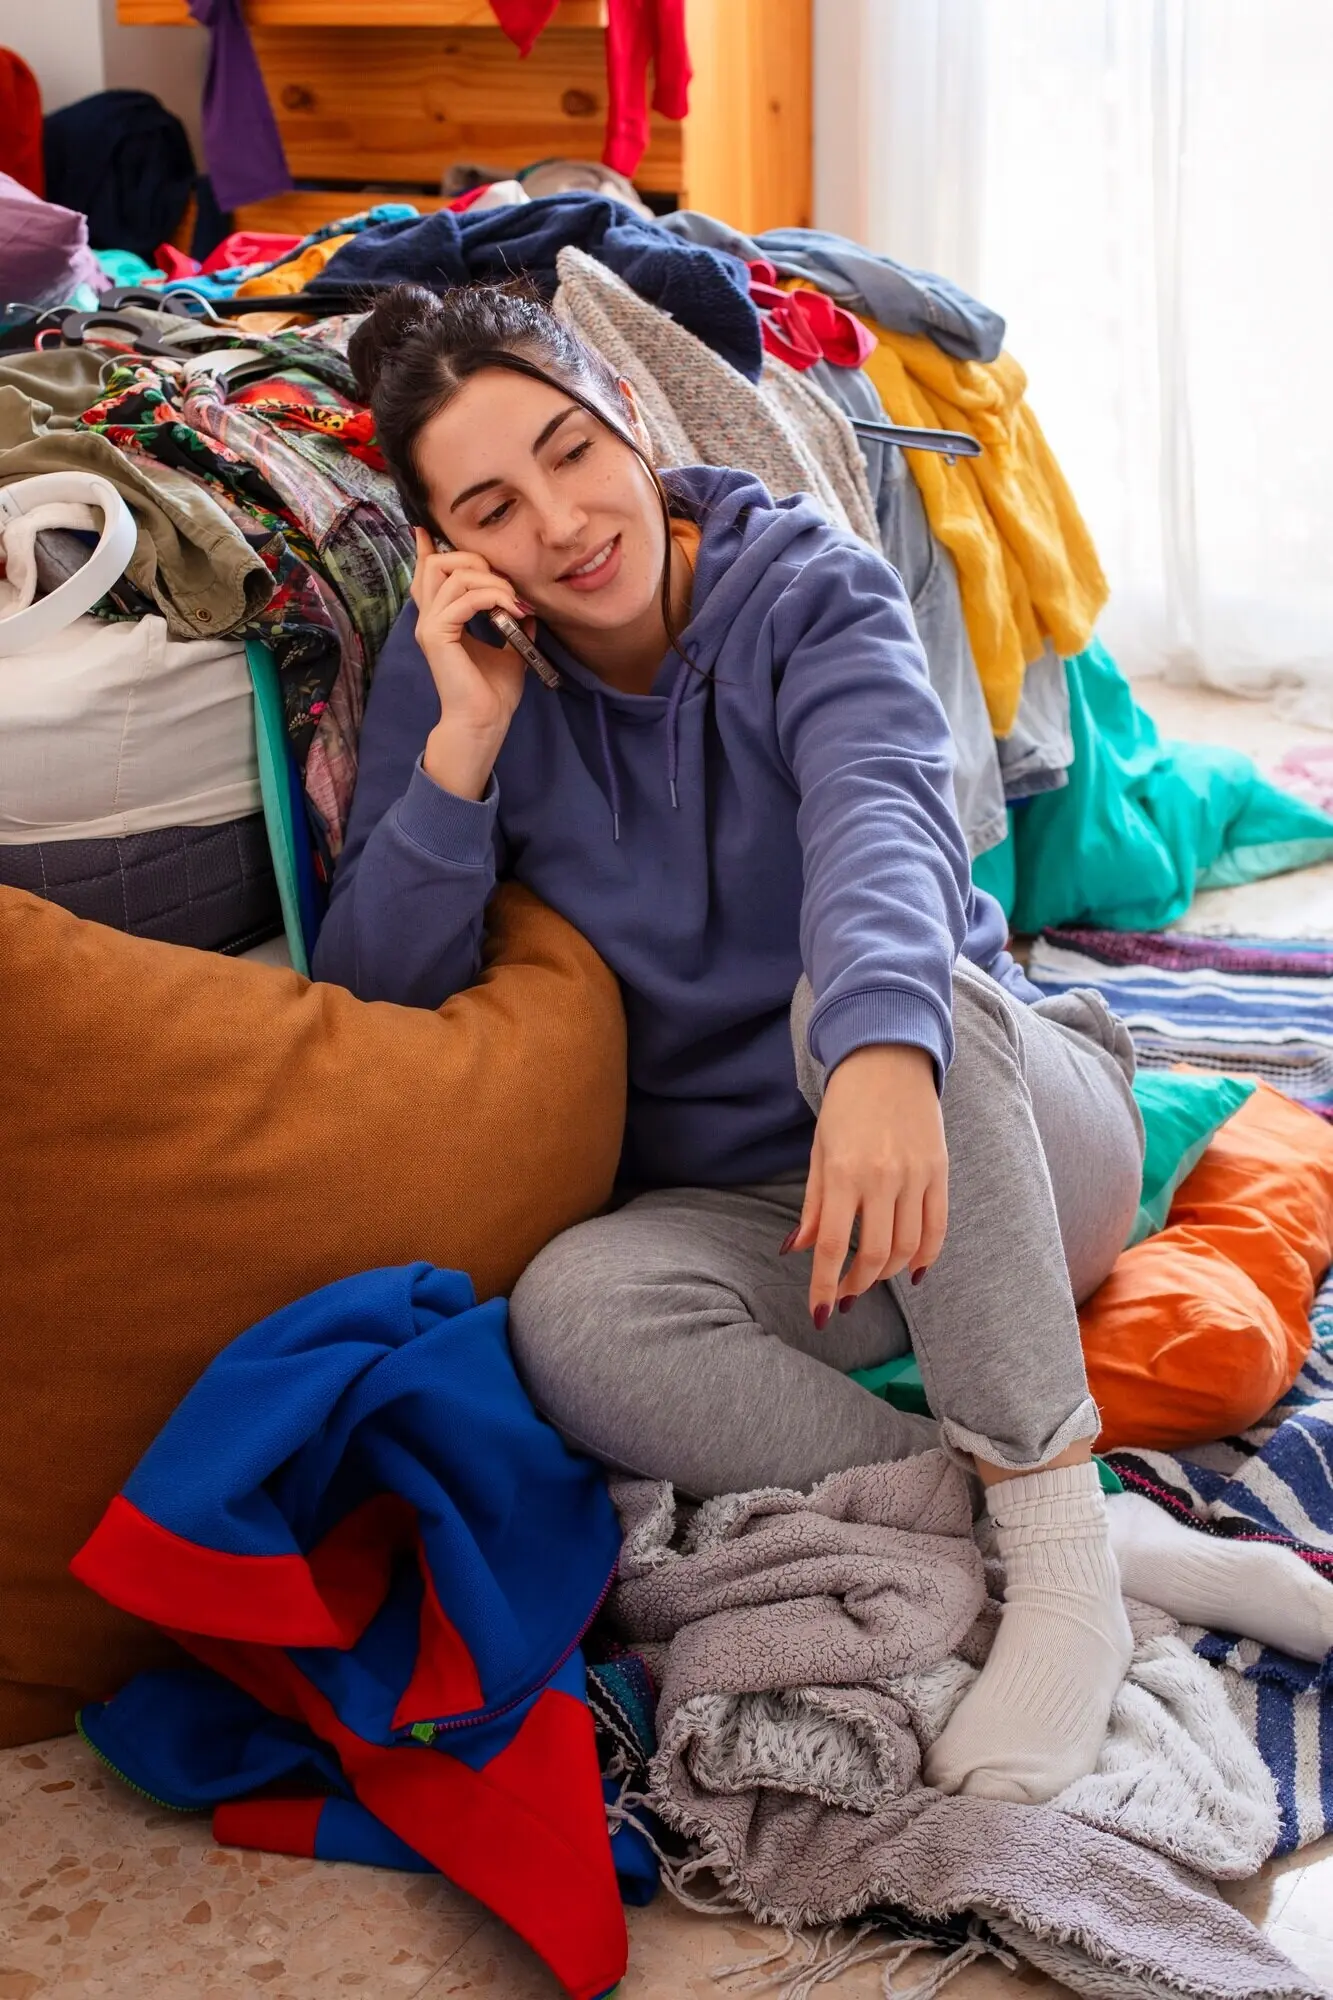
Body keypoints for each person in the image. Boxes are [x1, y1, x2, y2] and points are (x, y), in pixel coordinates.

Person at [316, 280, 1333, 1803]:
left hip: (992, 1128)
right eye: (493, 507)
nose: (564, 522)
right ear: (447, 549)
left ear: (630, 418)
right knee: (572, 1314)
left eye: (571, 452)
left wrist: (870, 1056)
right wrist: (464, 745)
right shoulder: (460, 677)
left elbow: (884, 836)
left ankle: (1059, 1577)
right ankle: (1078, 1536)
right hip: (789, 1225)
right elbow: (379, 996)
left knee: (883, 1000)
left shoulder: (809, 584)